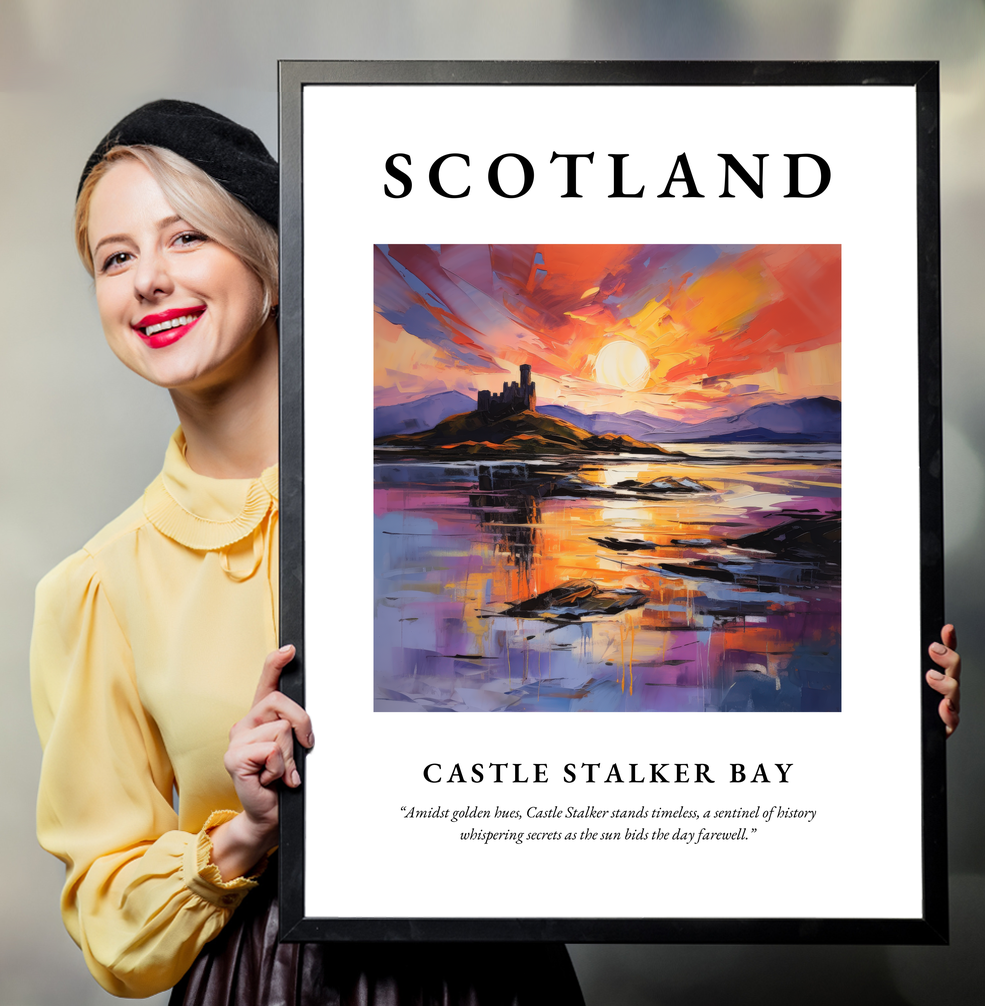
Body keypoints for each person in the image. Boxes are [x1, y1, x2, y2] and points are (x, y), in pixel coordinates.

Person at [30, 100, 586, 1004]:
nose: (148, 281)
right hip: (262, 982)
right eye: (116, 257)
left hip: (493, 973)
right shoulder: (97, 587)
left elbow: (603, 714)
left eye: (185, 238)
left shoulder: (446, 502)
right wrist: (244, 832)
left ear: (273, 263)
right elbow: (110, 923)